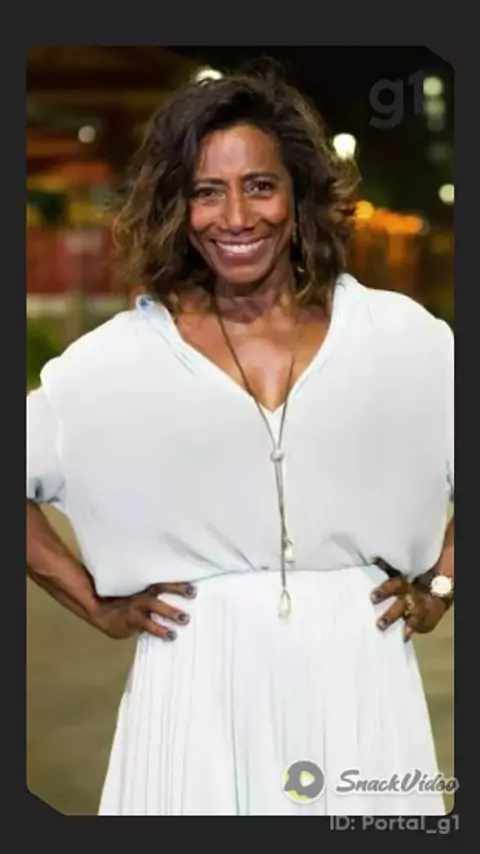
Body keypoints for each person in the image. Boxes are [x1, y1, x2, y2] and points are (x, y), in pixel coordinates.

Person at [26, 65, 454, 816]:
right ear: (177, 207)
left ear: (299, 195)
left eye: (259, 186)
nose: (235, 216)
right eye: (206, 191)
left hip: (361, 669)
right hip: (195, 679)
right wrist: (93, 603)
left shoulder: (401, 339)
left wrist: (442, 585)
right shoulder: (115, 363)